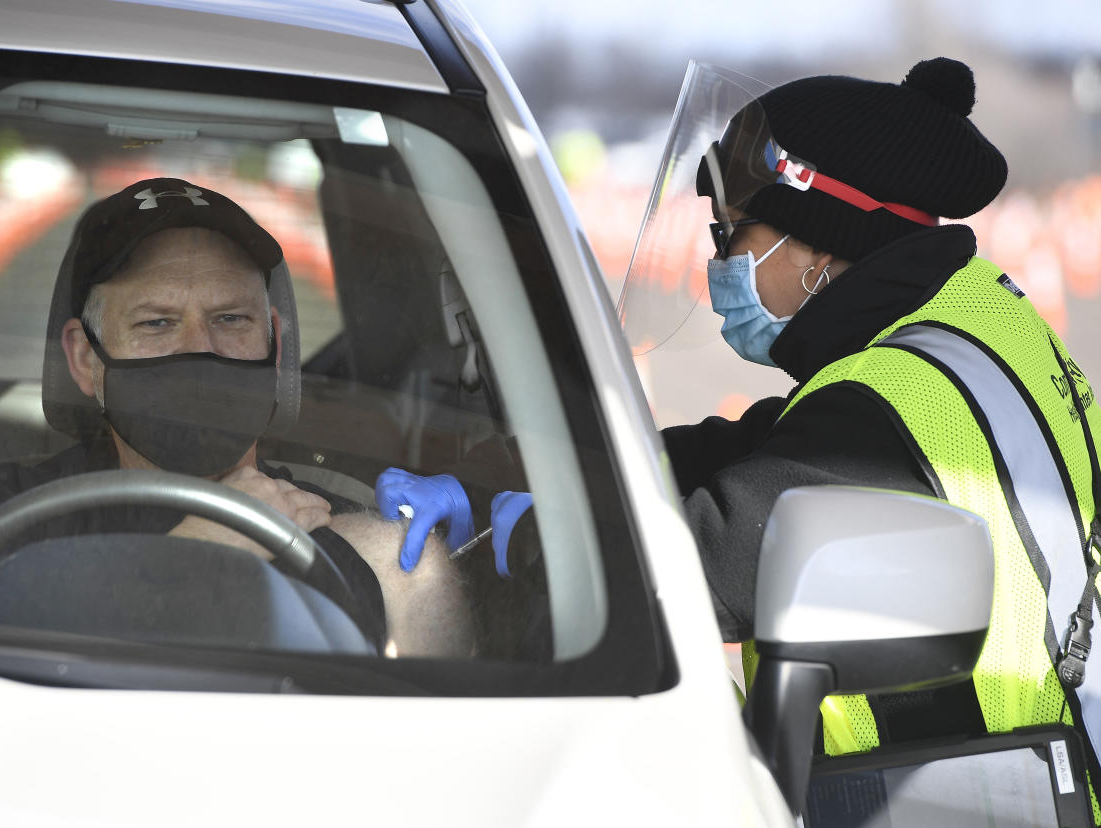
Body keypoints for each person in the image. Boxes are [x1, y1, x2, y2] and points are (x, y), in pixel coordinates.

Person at [383, 56, 1101, 808]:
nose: (717, 262)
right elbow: (735, 454)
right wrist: (520, 480)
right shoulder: (966, 328)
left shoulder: (886, 409)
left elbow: (714, 552)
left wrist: (543, 542)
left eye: (731, 235)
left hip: (971, 798)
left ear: (819, 244)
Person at [0, 177, 473, 658]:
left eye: (230, 318)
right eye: (157, 323)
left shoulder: (371, 545)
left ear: (275, 344)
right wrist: (213, 542)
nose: (199, 350)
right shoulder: (7, 514)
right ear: (86, 357)